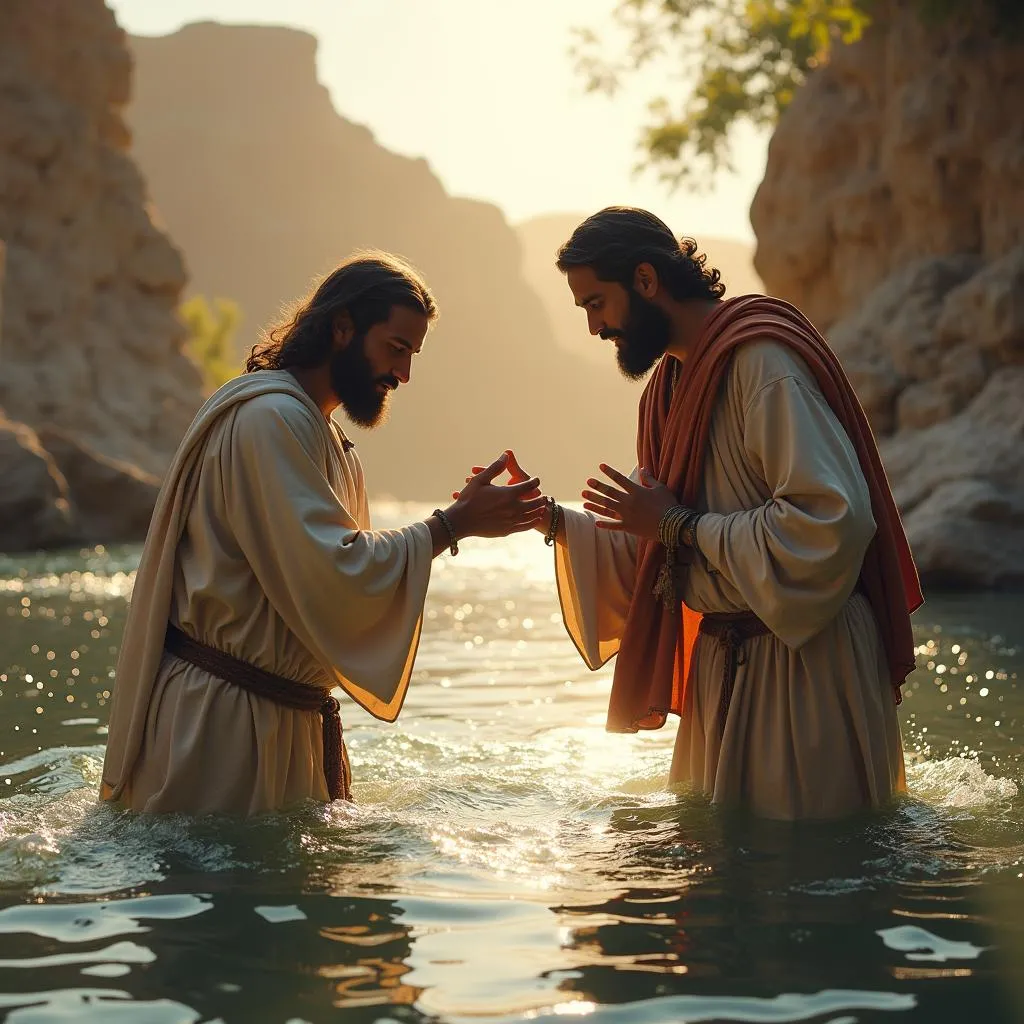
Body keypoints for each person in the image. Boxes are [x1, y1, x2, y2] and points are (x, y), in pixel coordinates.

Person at [497, 207, 922, 820]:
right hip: (725, 666)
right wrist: (554, 522)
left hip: (805, 665)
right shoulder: (668, 389)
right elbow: (661, 547)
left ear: (646, 280)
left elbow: (833, 523)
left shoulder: (762, 365)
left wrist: (679, 526)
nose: (594, 327)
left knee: (807, 884)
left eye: (596, 303)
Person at [100, 252, 545, 815]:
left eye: (412, 355)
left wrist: (454, 523)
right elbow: (333, 572)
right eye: (397, 348)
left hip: (280, 717)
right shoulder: (270, 420)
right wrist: (452, 526)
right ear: (342, 329)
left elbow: (336, 591)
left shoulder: (320, 434)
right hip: (222, 726)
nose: (403, 375)